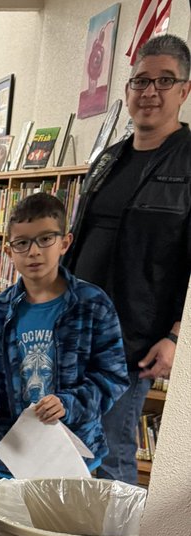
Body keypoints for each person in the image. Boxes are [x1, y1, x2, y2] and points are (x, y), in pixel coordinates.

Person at [66, 33, 191, 483]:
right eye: (141, 81)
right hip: (76, 327)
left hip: (131, 340)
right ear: (127, 90)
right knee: (67, 438)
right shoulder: (109, 159)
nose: (150, 92)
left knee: (110, 450)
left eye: (164, 80)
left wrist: (177, 335)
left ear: (185, 90)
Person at [0, 193, 128, 478]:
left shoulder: (93, 305)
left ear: (65, 243)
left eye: (45, 239)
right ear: (8, 251)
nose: (33, 251)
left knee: (69, 522)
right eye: (22, 243)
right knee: (11, 522)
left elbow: (112, 377)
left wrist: (67, 403)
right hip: (15, 453)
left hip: (74, 452)